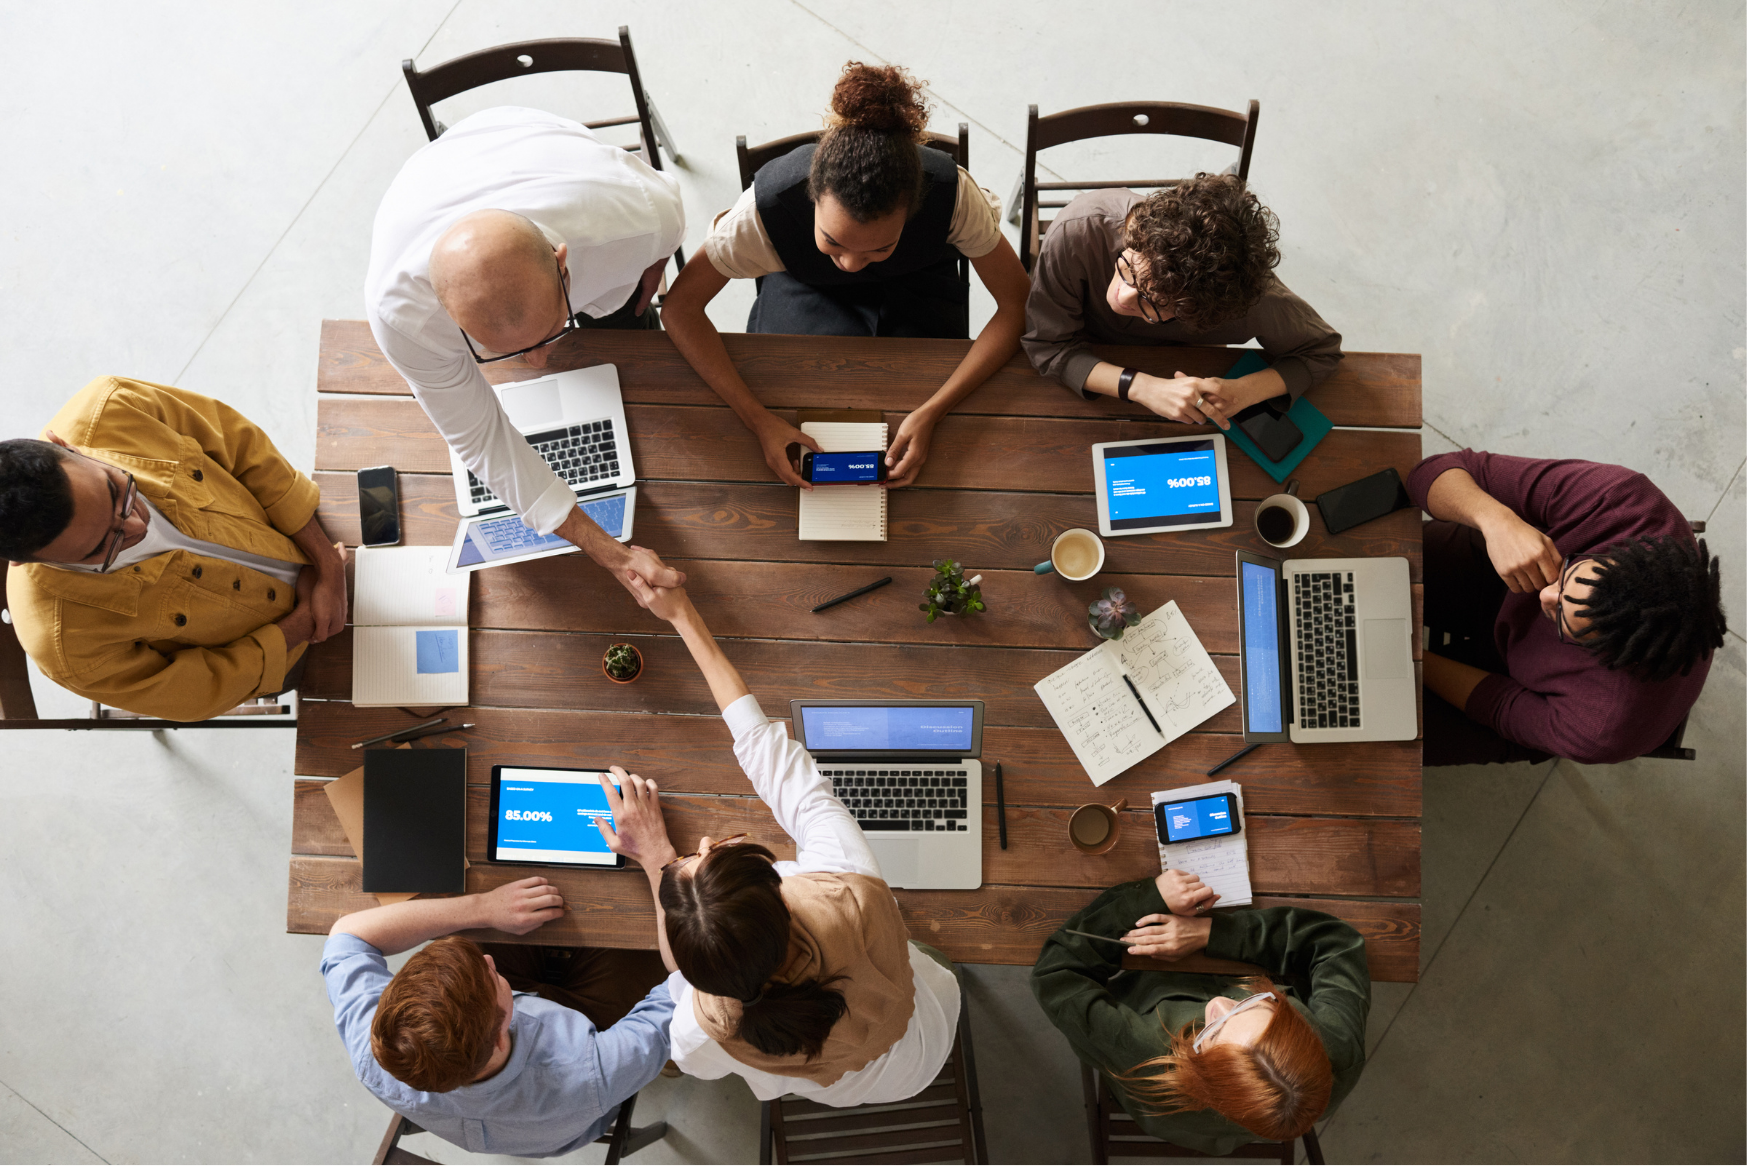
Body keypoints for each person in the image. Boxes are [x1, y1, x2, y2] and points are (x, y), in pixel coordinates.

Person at [593, 574, 961, 1105]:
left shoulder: (700, 1030)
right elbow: (771, 755)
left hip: (863, 1083)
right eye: (710, 855)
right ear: (778, 893)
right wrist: (682, 615)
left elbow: (680, 964)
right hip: (919, 1036)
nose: (701, 846)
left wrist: (656, 858)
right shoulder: (845, 887)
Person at [366, 105, 688, 599]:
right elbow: (484, 442)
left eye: (550, 332)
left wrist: (654, 260)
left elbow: (671, 222)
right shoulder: (402, 320)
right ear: (448, 315)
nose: (537, 364)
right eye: (503, 352)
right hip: (437, 175)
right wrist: (614, 555)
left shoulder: (636, 218)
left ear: (563, 263)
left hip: (536, 143)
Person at [661, 62, 1031, 489]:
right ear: (811, 197)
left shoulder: (954, 196)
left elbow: (1017, 303)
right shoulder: (763, 211)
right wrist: (758, 420)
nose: (854, 263)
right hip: (805, 286)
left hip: (919, 284)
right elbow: (680, 308)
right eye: (833, 241)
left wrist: (934, 410)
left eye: (880, 246)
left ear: (914, 209)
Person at [0, 376, 346, 721]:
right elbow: (199, 693)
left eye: (117, 490)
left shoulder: (114, 408)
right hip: (290, 653)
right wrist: (305, 622)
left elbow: (242, 448)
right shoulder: (65, 647)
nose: (137, 524)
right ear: (25, 563)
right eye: (105, 546)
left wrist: (327, 563)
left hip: (314, 536)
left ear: (67, 446)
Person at [1410, 448, 1725, 766]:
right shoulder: (1622, 502)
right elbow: (1430, 472)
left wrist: (1411, 657)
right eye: (1570, 572)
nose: (1544, 595)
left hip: (1514, 681)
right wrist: (1497, 521)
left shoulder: (1602, 728)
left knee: (1380, 728)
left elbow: (1498, 703)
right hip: (1490, 569)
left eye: (1558, 616)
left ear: (1601, 655)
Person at [322, 874, 674, 1157]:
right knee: (640, 947)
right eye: (491, 977)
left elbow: (346, 936)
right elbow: (683, 983)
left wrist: (484, 908)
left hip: (529, 1125)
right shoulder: (591, 1071)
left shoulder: (377, 1050)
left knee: (480, 928)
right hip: (583, 1076)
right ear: (502, 1032)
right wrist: (658, 860)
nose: (489, 962)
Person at [1032, 870, 1369, 1154]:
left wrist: (1148, 899)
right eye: (1253, 1003)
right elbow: (1337, 945)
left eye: (1212, 1031)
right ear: (1304, 1031)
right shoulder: (1336, 1054)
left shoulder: (1144, 1054)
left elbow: (1055, 975)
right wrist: (1212, 933)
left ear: (1201, 1071)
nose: (1217, 1005)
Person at [1022, 175, 1342, 430]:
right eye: (1129, 268)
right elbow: (1049, 344)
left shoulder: (1251, 300)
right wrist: (1140, 387)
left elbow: (1321, 351)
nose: (1122, 296)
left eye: (1155, 302)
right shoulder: (1077, 233)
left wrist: (1243, 391)